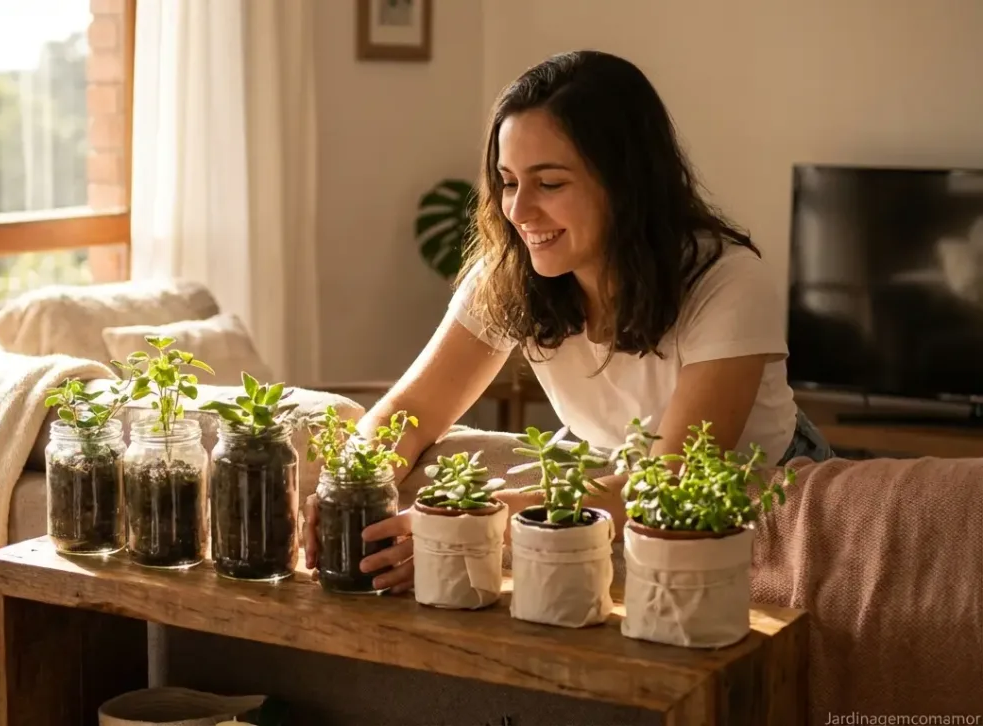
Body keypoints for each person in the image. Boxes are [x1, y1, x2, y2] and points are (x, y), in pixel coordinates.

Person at [302, 49, 835, 594]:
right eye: (508, 182)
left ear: (626, 184)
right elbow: (412, 410)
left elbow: (671, 483)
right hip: (604, 475)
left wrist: (471, 522)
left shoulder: (729, 282)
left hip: (755, 489)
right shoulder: (509, 273)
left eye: (550, 183)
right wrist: (349, 482)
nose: (520, 211)